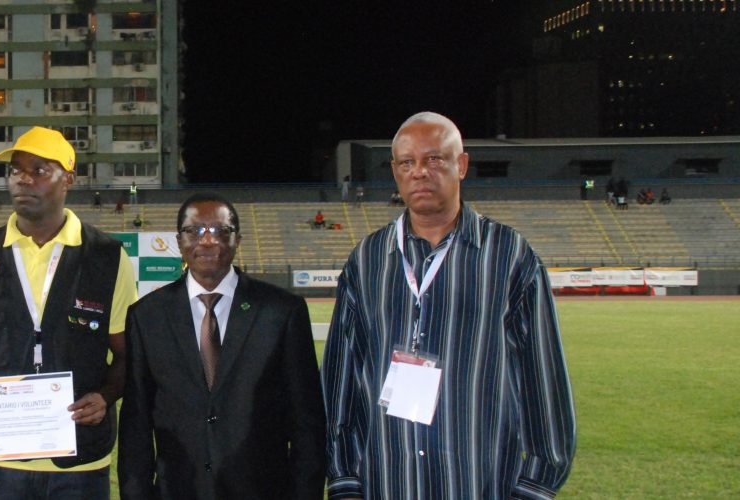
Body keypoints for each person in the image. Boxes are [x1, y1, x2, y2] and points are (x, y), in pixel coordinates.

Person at [322, 112, 575, 499]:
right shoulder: (367, 259)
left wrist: (535, 486)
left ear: (462, 165)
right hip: (388, 483)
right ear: (395, 171)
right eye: (407, 162)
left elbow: (543, 378)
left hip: (479, 484)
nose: (419, 172)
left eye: (434, 159)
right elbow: (341, 376)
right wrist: (344, 479)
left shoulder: (509, 255)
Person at [0, 126, 137, 499]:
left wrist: (106, 396)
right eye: (15, 171)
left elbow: (127, 354)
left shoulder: (107, 258)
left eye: (39, 170)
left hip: (80, 461)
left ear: (68, 179)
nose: (23, 179)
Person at [119, 193, 326, 499]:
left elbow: (307, 422)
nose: (207, 241)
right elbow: (135, 425)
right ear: (179, 241)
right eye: (194, 231)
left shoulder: (282, 312)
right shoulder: (146, 316)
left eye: (220, 230)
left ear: (237, 239)